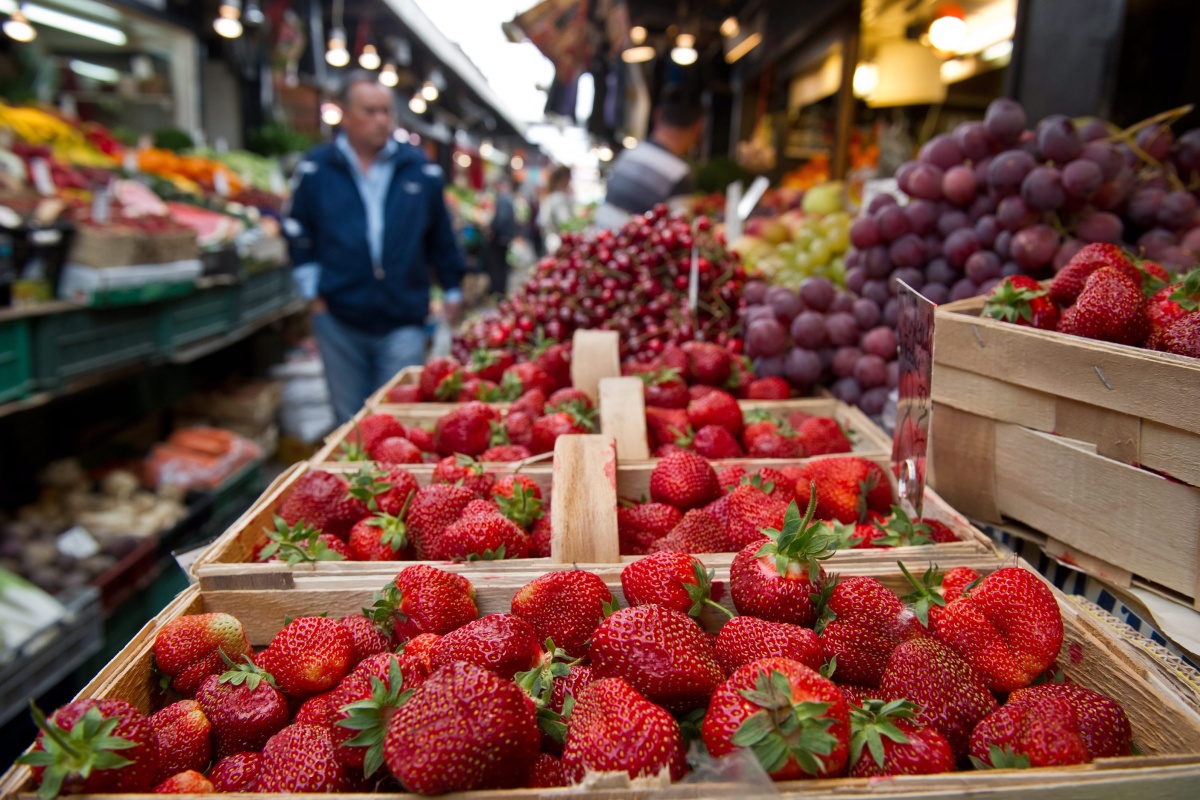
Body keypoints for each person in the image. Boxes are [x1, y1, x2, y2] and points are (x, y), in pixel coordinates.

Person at [284, 71, 465, 424]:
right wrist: (313, 295)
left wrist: (453, 287)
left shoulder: (419, 170)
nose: (380, 120)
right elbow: (296, 230)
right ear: (345, 114)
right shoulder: (316, 169)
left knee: (398, 420)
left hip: (404, 317)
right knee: (349, 421)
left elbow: (441, 234)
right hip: (339, 315)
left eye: (386, 111)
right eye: (370, 111)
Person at [594, 84, 705, 229]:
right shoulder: (679, 173)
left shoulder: (630, 153)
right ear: (699, 127)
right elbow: (680, 230)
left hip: (599, 241)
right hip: (628, 248)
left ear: (657, 115)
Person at [486, 178, 516, 299]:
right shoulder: (508, 199)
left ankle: (497, 291)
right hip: (505, 237)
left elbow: (501, 220)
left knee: (497, 265)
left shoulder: (503, 200)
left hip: (500, 238)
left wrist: (493, 230)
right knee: (502, 265)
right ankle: (501, 290)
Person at [537, 165, 573, 252]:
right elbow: (565, 222)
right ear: (565, 178)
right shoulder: (558, 198)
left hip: (549, 241)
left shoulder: (548, 196)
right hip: (558, 243)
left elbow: (541, 222)